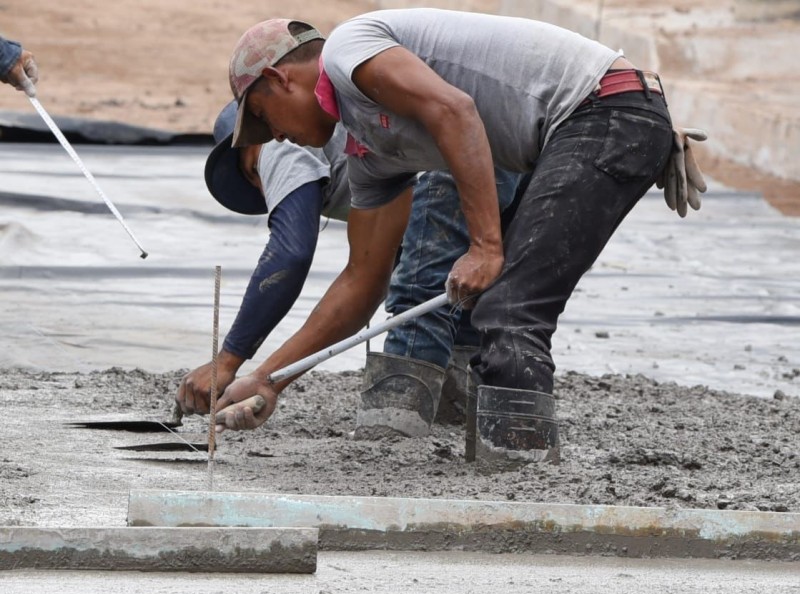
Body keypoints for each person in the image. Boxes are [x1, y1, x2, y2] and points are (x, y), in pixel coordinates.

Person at [195, 10, 708, 469]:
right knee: (506, 301)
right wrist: (269, 379)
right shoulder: (369, 152)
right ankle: (512, 463)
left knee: (510, 306)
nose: (274, 138)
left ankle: (520, 472)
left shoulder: (350, 49)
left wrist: (486, 245)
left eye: (261, 117)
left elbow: (456, 110)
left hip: (603, 110)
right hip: (588, 122)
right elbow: (362, 281)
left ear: (278, 78)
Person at [177, 99, 522, 438]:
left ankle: (395, 424)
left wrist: (227, 362)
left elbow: (291, 254)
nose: (266, 186)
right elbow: (366, 281)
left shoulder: (274, 144)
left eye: (255, 174)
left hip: (463, 148)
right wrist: (269, 378)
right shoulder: (358, 153)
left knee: (418, 287)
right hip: (508, 137)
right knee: (462, 288)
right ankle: (463, 405)